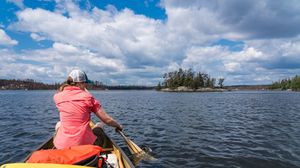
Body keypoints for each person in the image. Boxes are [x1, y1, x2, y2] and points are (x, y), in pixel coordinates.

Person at [53, 69, 122, 149]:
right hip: (85, 146)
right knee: (99, 125)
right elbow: (107, 120)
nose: (86, 85)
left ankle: (58, 144)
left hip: (62, 147)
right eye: (84, 83)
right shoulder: (88, 97)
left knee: (59, 124)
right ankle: (102, 148)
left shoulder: (57, 97)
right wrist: (118, 125)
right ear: (80, 83)